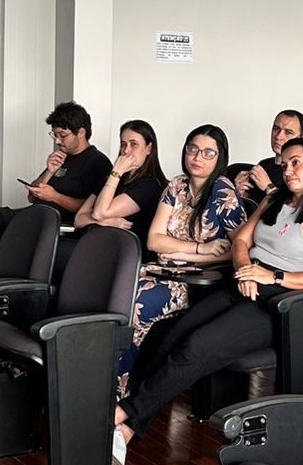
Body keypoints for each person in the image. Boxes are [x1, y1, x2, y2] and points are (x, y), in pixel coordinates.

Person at [114, 137, 303, 460]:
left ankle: (122, 418)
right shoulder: (274, 201)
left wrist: (270, 276)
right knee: (169, 333)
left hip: (280, 302)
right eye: (285, 164)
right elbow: (240, 240)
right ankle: (128, 423)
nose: (288, 171)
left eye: (296, 163)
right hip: (243, 283)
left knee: (196, 346)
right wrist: (247, 266)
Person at [117, 124, 247, 394]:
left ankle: (122, 390)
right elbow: (154, 239)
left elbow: (240, 248)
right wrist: (198, 248)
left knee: (135, 302)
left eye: (208, 153)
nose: (198, 158)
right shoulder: (177, 185)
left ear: (220, 157)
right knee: (113, 288)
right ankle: (96, 376)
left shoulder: (223, 193)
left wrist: (179, 252)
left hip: (197, 281)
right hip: (163, 268)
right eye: (193, 150)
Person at [74, 118, 166, 249]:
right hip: (97, 246)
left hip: (123, 253)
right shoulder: (110, 179)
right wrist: (106, 223)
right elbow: (79, 219)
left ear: (148, 148)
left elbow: (99, 213)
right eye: (123, 144)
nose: (126, 150)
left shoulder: (149, 185)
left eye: (133, 144)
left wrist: (116, 171)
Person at [24, 101, 112, 217]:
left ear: (81, 133)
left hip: (53, 224)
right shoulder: (61, 157)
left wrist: (54, 197)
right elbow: (31, 197)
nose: (57, 141)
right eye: (55, 135)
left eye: (63, 135)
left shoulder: (97, 162)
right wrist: (49, 173)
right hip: (34, 215)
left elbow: (93, 209)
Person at [241, 109, 303, 200]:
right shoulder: (264, 165)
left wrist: (268, 187)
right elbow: (250, 205)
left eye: (288, 132)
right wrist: (239, 192)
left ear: (302, 138)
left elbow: (295, 207)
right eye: (276, 129)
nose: (278, 136)